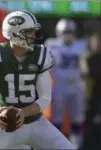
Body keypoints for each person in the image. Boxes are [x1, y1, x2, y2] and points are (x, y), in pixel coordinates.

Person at [0, 10, 74, 149]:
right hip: (5, 128)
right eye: (29, 31)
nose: (34, 35)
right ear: (15, 33)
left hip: (36, 124)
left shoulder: (40, 55)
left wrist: (23, 112)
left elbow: (45, 98)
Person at [45, 18, 87, 147]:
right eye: (65, 31)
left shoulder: (81, 44)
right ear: (59, 31)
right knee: (57, 119)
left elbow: (85, 67)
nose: (67, 34)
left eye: (70, 31)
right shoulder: (51, 44)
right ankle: (58, 146)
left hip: (77, 86)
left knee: (77, 119)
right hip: (59, 86)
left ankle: (75, 147)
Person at [80, 33, 101, 150]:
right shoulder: (88, 58)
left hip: (98, 98)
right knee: (89, 123)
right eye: (95, 43)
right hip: (90, 97)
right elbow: (85, 73)